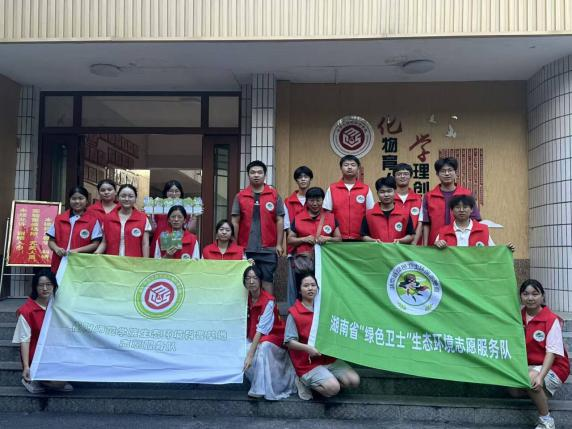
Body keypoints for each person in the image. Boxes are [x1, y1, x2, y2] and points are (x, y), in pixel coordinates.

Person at [285, 273, 360, 400]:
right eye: (306, 286)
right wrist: (308, 348)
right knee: (333, 388)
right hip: (307, 363)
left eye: (313, 285)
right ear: (300, 290)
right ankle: (303, 382)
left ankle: (325, 379)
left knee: (354, 380)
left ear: (318, 288)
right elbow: (288, 342)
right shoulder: (294, 313)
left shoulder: (324, 309)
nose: (310, 288)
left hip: (328, 359)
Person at [508, 280, 570, 429]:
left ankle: (546, 420)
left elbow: (551, 353)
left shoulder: (551, 319)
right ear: (520, 297)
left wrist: (540, 376)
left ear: (542, 296)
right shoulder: (517, 318)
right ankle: (539, 394)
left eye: (535, 294)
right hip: (530, 365)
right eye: (526, 294)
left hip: (554, 366)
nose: (530, 298)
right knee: (513, 390)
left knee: (530, 379)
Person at [12, 270, 73, 394]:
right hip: (37, 355)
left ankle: (48, 380)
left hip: (55, 353)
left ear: (54, 286)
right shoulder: (27, 311)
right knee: (59, 383)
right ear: (35, 287)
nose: (45, 288)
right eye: (41, 285)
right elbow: (25, 340)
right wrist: (26, 366)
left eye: (48, 284)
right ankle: (31, 380)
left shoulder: (58, 307)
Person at [231, 160, 285, 294]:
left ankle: (268, 307)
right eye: (253, 172)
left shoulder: (274, 195)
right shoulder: (240, 196)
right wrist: (235, 244)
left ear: (265, 175)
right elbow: (235, 221)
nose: (256, 175)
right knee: (247, 281)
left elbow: (279, 220)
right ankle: (248, 308)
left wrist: (279, 244)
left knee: (267, 280)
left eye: (260, 172)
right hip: (246, 248)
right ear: (248, 175)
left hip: (268, 248)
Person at [243, 266, 296, 400]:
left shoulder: (268, 301)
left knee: (263, 347)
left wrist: (250, 356)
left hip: (274, 337)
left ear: (260, 280)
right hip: (254, 336)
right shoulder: (244, 298)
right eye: (248, 278)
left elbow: (261, 330)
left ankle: (259, 388)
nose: (251, 281)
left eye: (255, 278)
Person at [420, 157, 481, 246]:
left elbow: (475, 220)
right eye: (443, 171)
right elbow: (426, 223)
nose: (447, 174)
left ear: (456, 173)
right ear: (437, 174)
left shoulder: (466, 194)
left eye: (450, 170)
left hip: (461, 244)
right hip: (435, 245)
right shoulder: (429, 196)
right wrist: (425, 246)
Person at [47, 186, 102, 273]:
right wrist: (57, 249)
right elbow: (51, 241)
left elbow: (95, 244)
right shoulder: (60, 219)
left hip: (81, 264)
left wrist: (77, 250)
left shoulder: (93, 220)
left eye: (81, 198)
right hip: (60, 262)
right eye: (74, 199)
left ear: (87, 201)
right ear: (69, 200)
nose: (77, 201)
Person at [434, 195, 516, 251]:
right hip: (452, 271)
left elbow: (493, 252)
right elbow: (435, 254)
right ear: (452, 210)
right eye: (457, 207)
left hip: (475, 271)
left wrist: (506, 250)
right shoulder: (443, 231)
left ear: (472, 210)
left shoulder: (483, 230)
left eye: (465, 207)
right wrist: (437, 245)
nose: (461, 210)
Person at [323, 155, 375, 240]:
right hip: (337, 238)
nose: (349, 167)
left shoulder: (365, 189)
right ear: (341, 168)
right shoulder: (332, 188)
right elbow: (327, 213)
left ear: (358, 168)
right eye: (346, 165)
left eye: (353, 165)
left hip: (361, 237)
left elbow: (370, 212)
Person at [97, 184, 151, 257]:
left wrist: (145, 261)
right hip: (112, 261)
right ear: (118, 198)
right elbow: (104, 242)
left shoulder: (143, 219)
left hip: (133, 262)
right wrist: (95, 255)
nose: (126, 199)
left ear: (135, 198)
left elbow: (145, 244)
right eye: (123, 196)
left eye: (130, 196)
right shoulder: (108, 218)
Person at [149, 180, 198, 256]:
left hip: (181, 242)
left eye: (177, 191)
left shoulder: (187, 208)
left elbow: (191, 230)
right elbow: (152, 230)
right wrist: (148, 215)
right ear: (166, 192)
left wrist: (195, 215)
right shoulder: (156, 207)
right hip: (160, 241)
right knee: (160, 260)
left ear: (181, 193)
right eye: (171, 191)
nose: (174, 194)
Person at [361, 176, 415, 244]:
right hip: (376, 250)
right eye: (382, 192)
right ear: (377, 193)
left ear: (395, 192)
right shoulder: (369, 214)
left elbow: (411, 235)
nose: (386, 195)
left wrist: (400, 241)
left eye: (389, 191)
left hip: (397, 250)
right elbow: (363, 235)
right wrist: (374, 241)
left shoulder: (405, 214)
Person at [392, 163, 423, 244]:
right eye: (399, 174)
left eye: (406, 174)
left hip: (414, 245)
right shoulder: (389, 198)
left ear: (410, 176)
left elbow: (421, 223)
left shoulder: (419, 199)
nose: (402, 176)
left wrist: (414, 242)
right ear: (394, 177)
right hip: (393, 244)